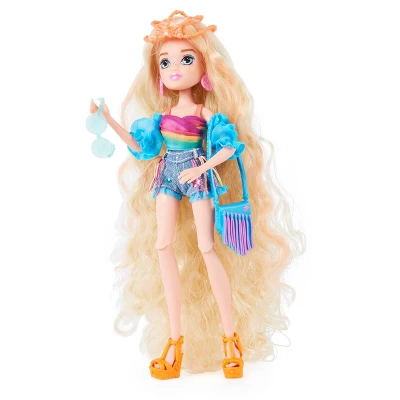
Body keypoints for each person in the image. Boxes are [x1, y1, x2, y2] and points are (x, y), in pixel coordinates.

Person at [89, 10, 305, 380]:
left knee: (207, 247)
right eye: (165, 62)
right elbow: (141, 148)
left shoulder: (206, 113)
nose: (174, 68)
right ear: (157, 73)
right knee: (162, 245)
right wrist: (108, 119)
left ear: (205, 66)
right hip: (167, 176)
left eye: (186, 59)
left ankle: (231, 341)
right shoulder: (160, 119)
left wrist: (202, 168)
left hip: (197, 174)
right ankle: (174, 343)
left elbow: (229, 147)